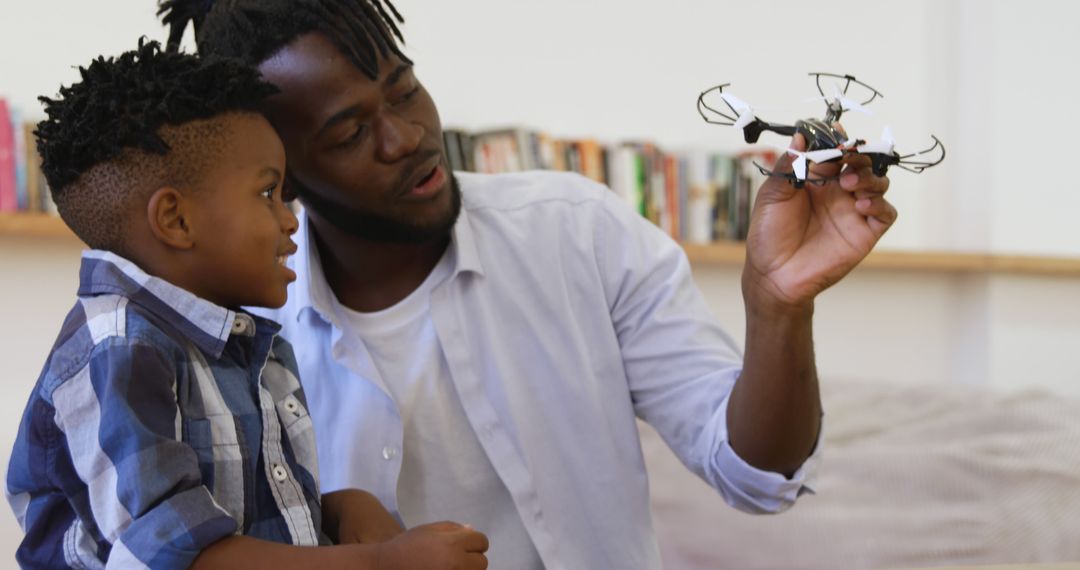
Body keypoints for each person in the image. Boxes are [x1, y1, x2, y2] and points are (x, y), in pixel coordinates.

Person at [160, 1, 898, 568]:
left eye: (405, 90)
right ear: (282, 172)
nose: (407, 136)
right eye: (350, 134)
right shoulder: (237, 335)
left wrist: (776, 307)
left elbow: (759, 477)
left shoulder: (578, 232)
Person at [4, 40, 489, 570]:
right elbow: (184, 560)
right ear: (176, 221)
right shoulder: (119, 351)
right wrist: (380, 563)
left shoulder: (247, 345)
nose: (290, 219)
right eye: (268, 194)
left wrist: (336, 510)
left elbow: (233, 521)